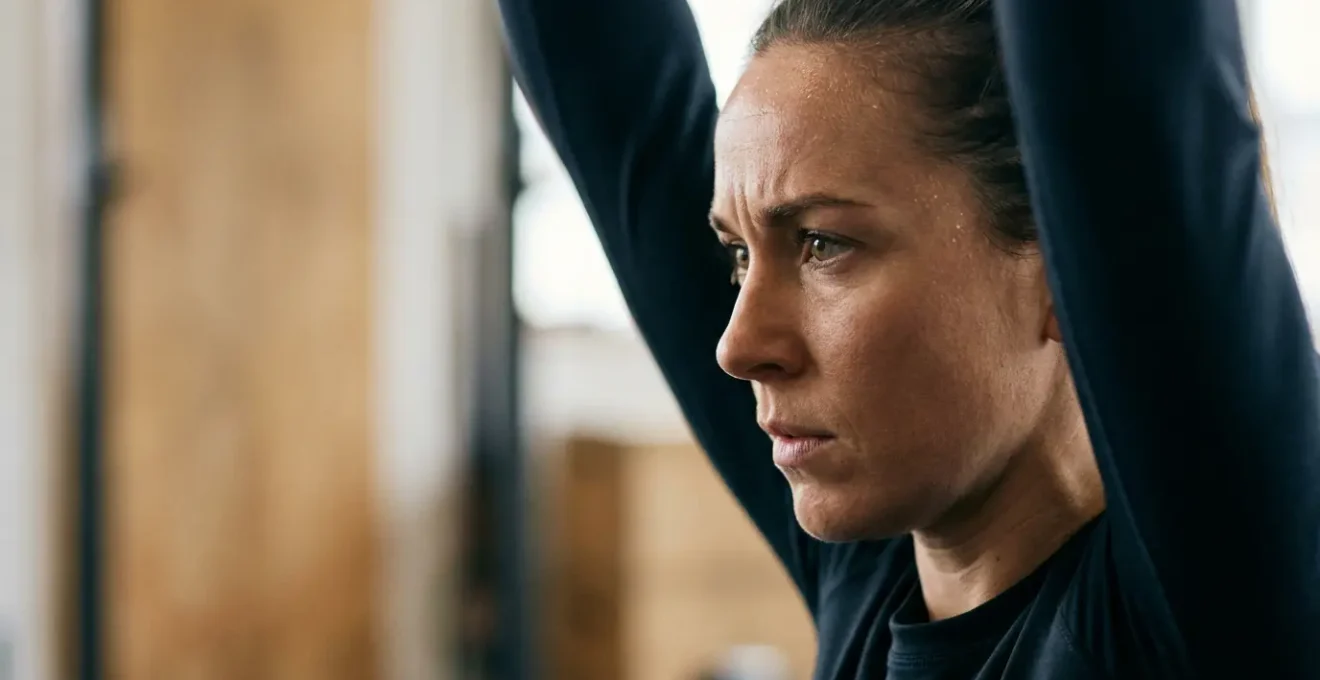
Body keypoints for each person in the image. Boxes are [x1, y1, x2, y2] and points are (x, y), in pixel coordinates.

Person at [497, 0, 1320, 677]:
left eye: (823, 243)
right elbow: (603, 77)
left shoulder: (1224, 591)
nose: (738, 346)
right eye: (738, 255)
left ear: (1064, 270)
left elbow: (1120, 62)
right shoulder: (874, 567)